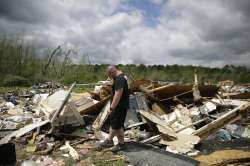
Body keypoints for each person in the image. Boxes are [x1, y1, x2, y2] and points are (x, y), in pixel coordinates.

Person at [99, 65, 129, 152]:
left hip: (119, 107)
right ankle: (109, 140)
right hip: (120, 106)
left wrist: (111, 108)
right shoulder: (120, 78)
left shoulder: (119, 79)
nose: (109, 77)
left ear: (112, 72)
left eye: (109, 75)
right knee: (115, 124)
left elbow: (118, 94)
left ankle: (121, 144)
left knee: (117, 126)